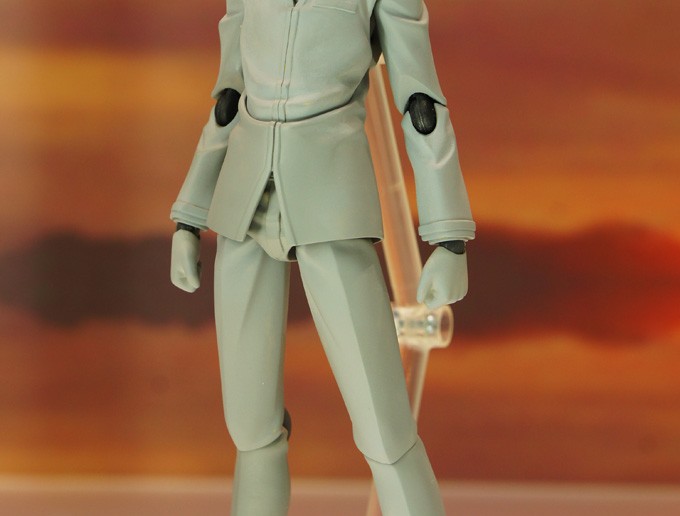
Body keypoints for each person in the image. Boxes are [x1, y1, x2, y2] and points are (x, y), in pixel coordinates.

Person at [170, 0, 475, 514]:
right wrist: (189, 216)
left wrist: (449, 238)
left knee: (385, 429)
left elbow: (421, 104)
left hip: (331, 198)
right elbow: (227, 100)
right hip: (243, 200)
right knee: (250, 428)